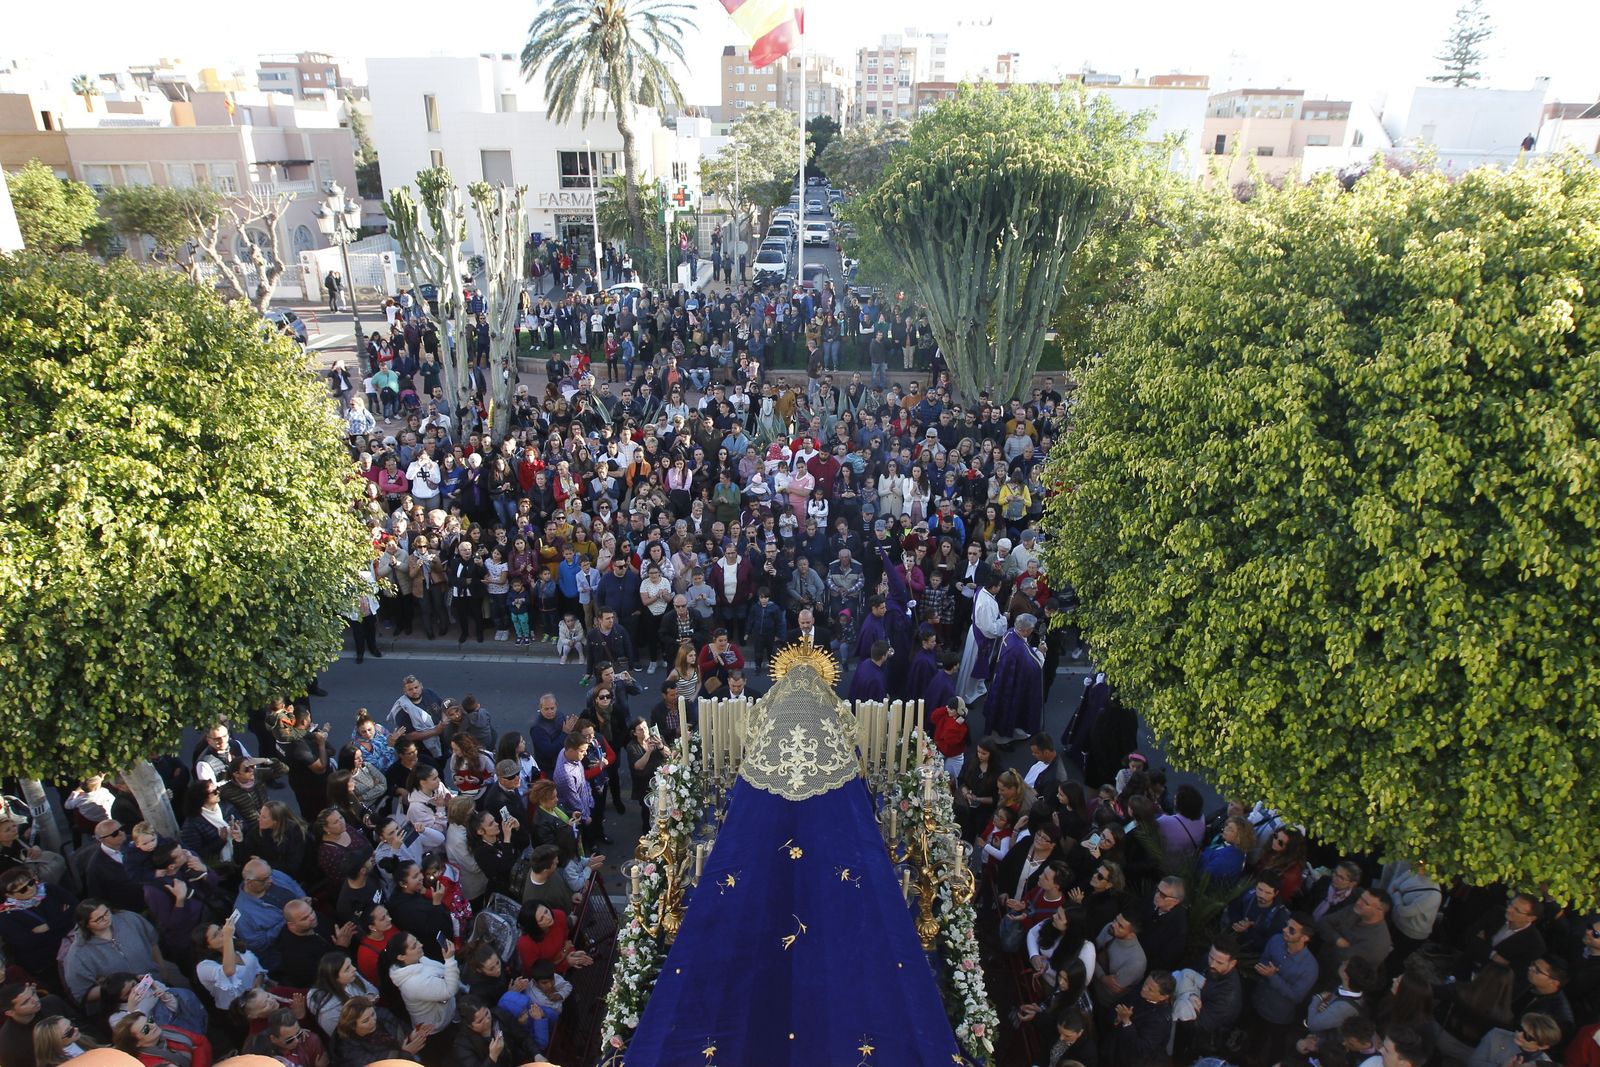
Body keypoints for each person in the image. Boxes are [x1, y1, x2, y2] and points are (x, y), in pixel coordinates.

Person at [987, 613, 1046, 742]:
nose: (1032, 632)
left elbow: (1026, 654)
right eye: (1031, 629)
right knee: (1008, 711)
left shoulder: (1010, 633)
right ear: (1024, 630)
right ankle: (1003, 740)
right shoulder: (1017, 648)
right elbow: (1034, 667)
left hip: (1001, 679)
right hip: (1011, 686)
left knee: (1000, 709)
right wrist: (1040, 652)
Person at [957, 573, 1006, 704]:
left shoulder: (981, 591)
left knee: (973, 664)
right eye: (999, 586)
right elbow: (990, 628)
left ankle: (975, 689)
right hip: (980, 638)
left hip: (976, 633)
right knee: (972, 666)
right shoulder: (986, 603)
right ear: (994, 587)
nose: (1000, 588)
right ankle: (966, 696)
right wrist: (1003, 621)